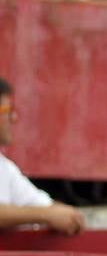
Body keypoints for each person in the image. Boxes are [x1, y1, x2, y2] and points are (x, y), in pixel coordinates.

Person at [0, 77, 84, 235]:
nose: (14, 118)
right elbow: (46, 212)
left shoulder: (5, 168)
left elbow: (43, 206)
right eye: (7, 111)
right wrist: (47, 215)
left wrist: (65, 214)